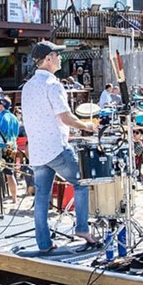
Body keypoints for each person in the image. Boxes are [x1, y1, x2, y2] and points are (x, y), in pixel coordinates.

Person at [22, 41, 97, 252]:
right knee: (81, 183)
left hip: (37, 150)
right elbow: (65, 117)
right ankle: (82, 228)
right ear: (48, 59)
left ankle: (44, 243)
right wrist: (87, 126)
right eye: (57, 55)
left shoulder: (27, 86)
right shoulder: (53, 84)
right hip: (55, 147)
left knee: (42, 197)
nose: (61, 58)